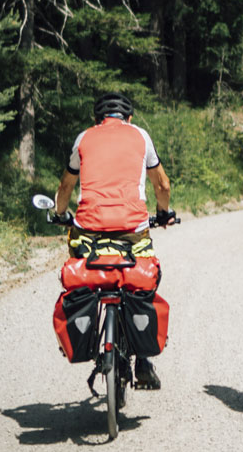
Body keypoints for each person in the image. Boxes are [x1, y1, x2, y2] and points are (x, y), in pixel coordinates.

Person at [54, 91, 175, 390]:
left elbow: (66, 184)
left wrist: (60, 214)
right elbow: (162, 183)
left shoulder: (83, 138)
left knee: (89, 275)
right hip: (132, 229)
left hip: (88, 231)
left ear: (96, 119)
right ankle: (144, 360)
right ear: (129, 118)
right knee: (146, 277)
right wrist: (163, 213)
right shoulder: (140, 136)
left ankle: (93, 334)